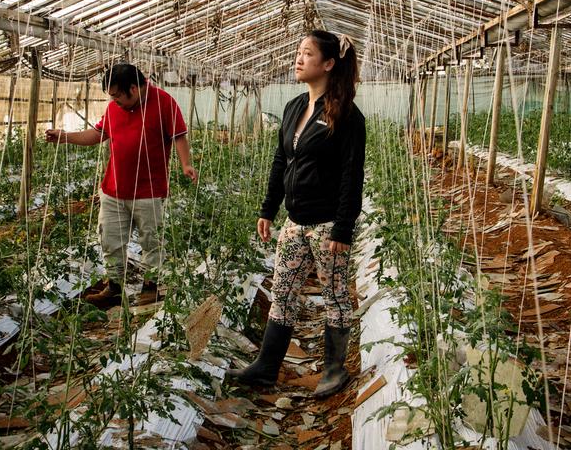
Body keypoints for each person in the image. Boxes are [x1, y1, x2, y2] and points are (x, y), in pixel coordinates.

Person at [229, 30, 365, 399]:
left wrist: (343, 228)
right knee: (283, 293)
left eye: (307, 53)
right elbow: (280, 161)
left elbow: (353, 175)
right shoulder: (293, 107)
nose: (298, 59)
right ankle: (266, 366)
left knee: (334, 296)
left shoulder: (348, 115)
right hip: (295, 221)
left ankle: (334, 369)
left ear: (328, 64)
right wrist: (268, 209)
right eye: (298, 52)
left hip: (326, 227)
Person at [45, 63, 196, 306]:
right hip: (113, 189)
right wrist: (66, 136)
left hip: (148, 190)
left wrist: (186, 164)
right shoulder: (114, 109)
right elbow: (97, 134)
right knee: (110, 239)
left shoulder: (165, 103)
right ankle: (114, 288)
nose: (113, 100)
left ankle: (151, 287)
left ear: (134, 89)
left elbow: (178, 135)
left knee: (151, 240)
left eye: (117, 95)